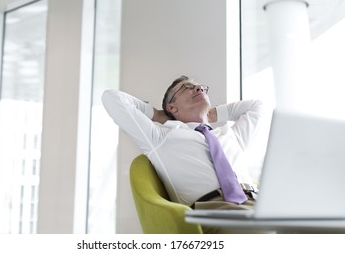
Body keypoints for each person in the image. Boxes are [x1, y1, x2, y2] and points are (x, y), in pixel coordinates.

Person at [102, 75, 264, 233]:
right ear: (172, 108)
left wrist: (210, 114)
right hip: (216, 210)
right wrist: (158, 115)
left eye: (201, 87)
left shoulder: (231, 134)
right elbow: (112, 98)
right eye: (187, 87)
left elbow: (257, 105)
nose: (199, 88)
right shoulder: (161, 137)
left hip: (259, 203)